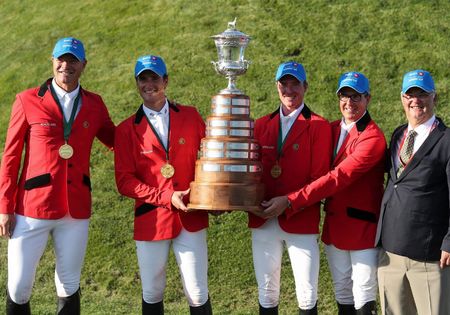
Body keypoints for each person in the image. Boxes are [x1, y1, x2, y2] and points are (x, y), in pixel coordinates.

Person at [0, 37, 115, 314]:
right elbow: (11, 157)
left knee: (69, 284)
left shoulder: (95, 104)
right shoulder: (27, 100)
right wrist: (4, 207)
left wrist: (156, 140)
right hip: (32, 208)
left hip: (74, 211)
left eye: (73, 60)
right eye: (61, 59)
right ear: (52, 61)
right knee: (18, 286)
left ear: (84, 65)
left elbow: (118, 141)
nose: (66, 65)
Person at [263, 72, 386, 314]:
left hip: (363, 231)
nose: (348, 102)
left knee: (363, 295)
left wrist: (290, 200)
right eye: (344, 96)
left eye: (356, 97)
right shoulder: (329, 129)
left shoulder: (373, 138)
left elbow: (337, 177)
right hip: (334, 228)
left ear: (368, 98)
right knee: (342, 293)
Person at [114, 55, 212, 315]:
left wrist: (216, 196)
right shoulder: (125, 130)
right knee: (152, 292)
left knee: (197, 291)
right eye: (143, 79)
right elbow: (124, 182)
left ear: (165, 81)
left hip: (190, 215)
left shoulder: (191, 116)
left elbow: (209, 160)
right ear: (137, 83)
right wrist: (166, 197)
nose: (149, 84)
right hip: (151, 220)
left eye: (154, 78)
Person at [249, 61, 332, 315]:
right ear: (276, 86)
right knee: (266, 292)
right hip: (263, 218)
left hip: (300, 218)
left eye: (294, 83)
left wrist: (289, 200)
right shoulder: (261, 125)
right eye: (283, 83)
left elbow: (320, 179)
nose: (288, 89)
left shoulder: (319, 126)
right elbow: (251, 172)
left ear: (305, 87)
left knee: (306, 294)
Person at [376, 69, 450, 315]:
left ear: (434, 97)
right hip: (390, 252)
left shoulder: (446, 140)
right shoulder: (399, 134)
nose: (415, 100)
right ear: (402, 99)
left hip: (428, 257)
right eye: (410, 94)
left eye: (422, 94)